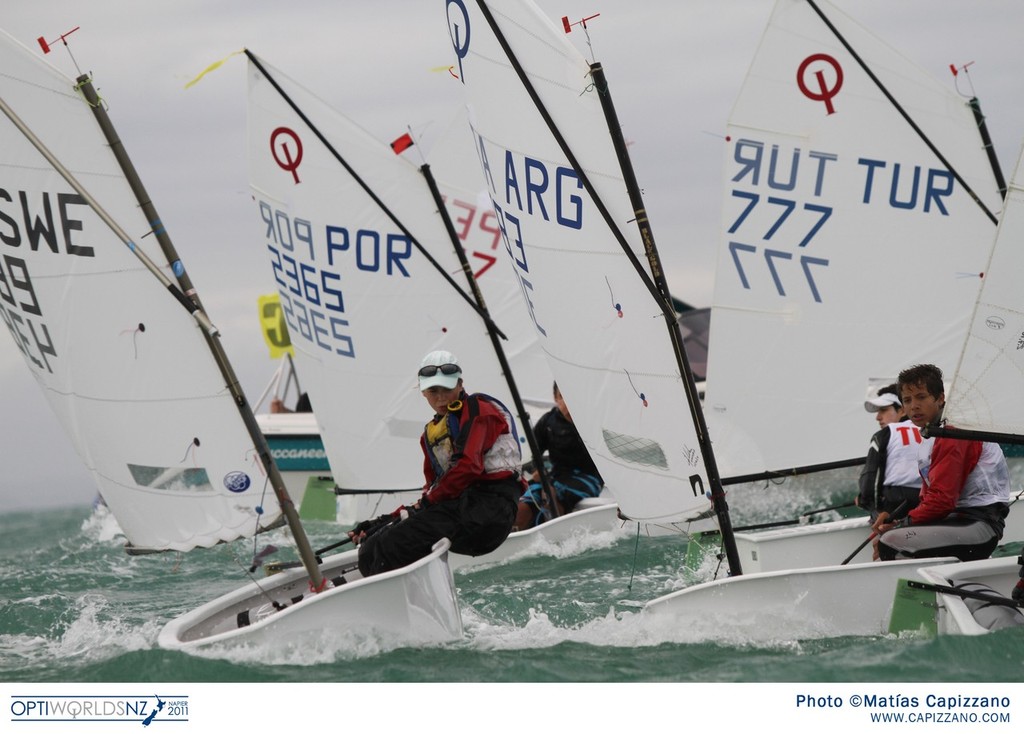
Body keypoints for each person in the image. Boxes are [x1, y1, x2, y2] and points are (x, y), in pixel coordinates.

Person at [349, 350, 523, 576]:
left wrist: (425, 504)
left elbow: (468, 466)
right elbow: (433, 489)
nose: (441, 398)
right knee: (373, 542)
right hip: (463, 507)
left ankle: (386, 595)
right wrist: (385, 520)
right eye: (433, 391)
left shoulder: (480, 410)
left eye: (447, 389)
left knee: (387, 546)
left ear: (460, 385)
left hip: (491, 511)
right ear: (423, 392)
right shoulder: (429, 435)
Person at [873, 364, 1010, 562]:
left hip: (979, 526)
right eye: (907, 400)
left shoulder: (953, 431)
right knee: (893, 537)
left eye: (921, 397)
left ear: (940, 398)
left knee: (892, 541)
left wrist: (903, 525)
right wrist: (896, 516)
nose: (914, 406)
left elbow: (942, 500)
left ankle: (916, 593)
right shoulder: (934, 433)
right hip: (957, 522)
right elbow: (929, 496)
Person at [514, 382, 603, 529]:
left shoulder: (593, 421)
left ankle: (554, 535)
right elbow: (532, 455)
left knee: (551, 494)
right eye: (562, 397)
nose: (568, 403)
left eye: (572, 397)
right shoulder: (548, 422)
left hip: (588, 478)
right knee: (520, 509)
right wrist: (537, 470)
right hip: (555, 476)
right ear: (555, 398)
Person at [855, 384, 922, 520]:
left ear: (902, 410)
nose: (878, 417)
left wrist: (863, 500)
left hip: (896, 505)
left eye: (883, 410)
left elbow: (870, 483)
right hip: (928, 501)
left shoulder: (883, 435)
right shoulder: (932, 430)